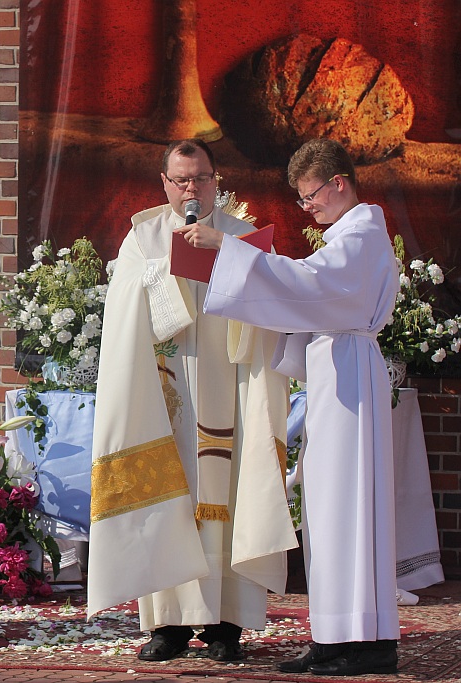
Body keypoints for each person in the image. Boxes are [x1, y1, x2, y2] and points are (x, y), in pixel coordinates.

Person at [178, 138, 400, 676]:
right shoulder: (348, 235)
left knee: (350, 506)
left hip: (350, 378)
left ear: (339, 182)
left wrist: (228, 250)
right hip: (336, 374)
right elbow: (307, 289)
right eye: (303, 200)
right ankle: (339, 635)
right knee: (330, 508)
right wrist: (250, 262)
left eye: (311, 196)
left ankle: (362, 641)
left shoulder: (363, 232)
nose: (309, 208)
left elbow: (312, 286)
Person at [88, 139, 298, 662]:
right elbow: (126, 306)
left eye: (200, 178)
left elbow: (271, 304)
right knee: (175, 500)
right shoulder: (143, 238)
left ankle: (229, 625)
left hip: (232, 385)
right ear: (163, 182)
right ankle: (170, 627)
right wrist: (167, 269)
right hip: (169, 392)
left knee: (231, 495)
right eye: (181, 179)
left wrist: (226, 254)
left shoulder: (242, 235)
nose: (191, 189)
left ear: (216, 180)